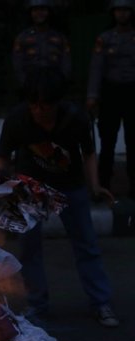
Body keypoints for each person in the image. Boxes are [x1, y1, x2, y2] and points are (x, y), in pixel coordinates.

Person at [0, 67, 119, 328]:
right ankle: (37, 306)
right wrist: (0, 184)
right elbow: (3, 157)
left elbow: (88, 153)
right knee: (29, 248)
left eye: (45, 106)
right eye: (34, 105)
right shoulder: (18, 119)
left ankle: (101, 303)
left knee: (86, 244)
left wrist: (95, 185)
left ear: (57, 103)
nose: (39, 111)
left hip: (70, 185)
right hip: (29, 186)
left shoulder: (75, 118)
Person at [87, 0, 135, 199]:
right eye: (118, 11)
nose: (122, 14)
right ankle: (104, 186)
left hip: (133, 93)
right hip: (111, 93)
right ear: (113, 13)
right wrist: (92, 95)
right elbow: (97, 68)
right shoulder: (105, 38)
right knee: (108, 143)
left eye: (125, 10)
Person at [12, 0, 71, 87]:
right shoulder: (22, 38)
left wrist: (60, 82)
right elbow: (17, 65)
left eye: (43, 9)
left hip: (55, 86)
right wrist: (25, 83)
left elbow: (66, 64)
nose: (39, 13)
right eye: (35, 10)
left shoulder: (59, 37)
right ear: (30, 13)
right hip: (29, 87)